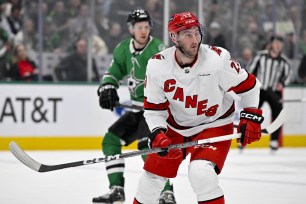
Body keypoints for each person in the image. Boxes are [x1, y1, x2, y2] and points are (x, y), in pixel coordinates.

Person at [133, 12, 264, 204]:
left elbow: (250, 87)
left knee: (201, 173)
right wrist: (158, 132)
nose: (195, 39)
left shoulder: (216, 60)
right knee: (150, 180)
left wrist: (250, 115)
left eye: (196, 32)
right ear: (174, 38)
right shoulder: (157, 66)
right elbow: (154, 109)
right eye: (187, 34)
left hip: (214, 124)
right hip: (175, 127)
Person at [93, 9, 177, 204]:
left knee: (148, 147)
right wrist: (107, 88)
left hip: (156, 112)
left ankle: (166, 191)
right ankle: (117, 189)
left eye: (147, 27)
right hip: (136, 111)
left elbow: (173, 80)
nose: (143, 31)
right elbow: (113, 73)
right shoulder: (122, 49)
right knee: (110, 141)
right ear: (131, 29)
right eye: (139, 27)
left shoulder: (159, 49)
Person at [247, 35, 291, 151]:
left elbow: (288, 75)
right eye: (276, 42)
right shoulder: (260, 56)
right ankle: (244, 137)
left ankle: (274, 140)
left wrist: (282, 83)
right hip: (260, 90)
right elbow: (250, 69)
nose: (278, 45)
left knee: (278, 113)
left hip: (273, 91)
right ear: (271, 43)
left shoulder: (284, 61)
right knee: (251, 113)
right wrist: (252, 83)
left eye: (280, 44)